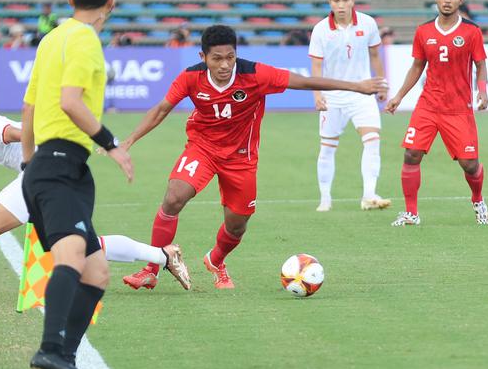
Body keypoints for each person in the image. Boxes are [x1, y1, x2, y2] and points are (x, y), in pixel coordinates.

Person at [120, 25, 388, 291]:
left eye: (230, 57)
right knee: (173, 197)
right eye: (217, 58)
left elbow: (305, 82)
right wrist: (130, 140)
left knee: (236, 226)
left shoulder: (256, 74)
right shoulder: (191, 78)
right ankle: (150, 269)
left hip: (241, 158)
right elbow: (161, 109)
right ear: (203, 57)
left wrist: (356, 86)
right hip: (202, 148)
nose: (225, 64)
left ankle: (216, 261)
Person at [0, 96, 189, 306]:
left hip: (47, 168)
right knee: (76, 244)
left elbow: (22, 133)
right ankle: (163, 255)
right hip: (54, 173)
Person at [20, 0, 130, 369]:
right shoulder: (85, 40)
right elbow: (70, 102)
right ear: (111, 0)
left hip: (49, 166)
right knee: (70, 259)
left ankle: (62, 361)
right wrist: (112, 144)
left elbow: (30, 107)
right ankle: (49, 351)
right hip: (62, 166)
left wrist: (29, 163)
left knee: (96, 271)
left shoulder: (52, 38)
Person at [384, 0, 488, 227]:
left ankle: (478, 200)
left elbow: (480, 64)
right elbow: (417, 66)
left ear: (460, 0)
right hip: (428, 106)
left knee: (470, 164)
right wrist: (398, 96)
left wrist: (482, 90)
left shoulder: (471, 32)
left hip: (458, 109)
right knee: (411, 154)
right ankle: (411, 213)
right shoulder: (423, 31)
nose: (447, 0)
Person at [309, 0, 391, 212]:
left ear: (353, 0)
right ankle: (325, 199)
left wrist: (381, 84)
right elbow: (316, 66)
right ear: (330, 2)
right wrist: (317, 93)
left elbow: (375, 55)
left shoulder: (368, 23)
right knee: (327, 148)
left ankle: (369, 195)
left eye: (345, 0)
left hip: (362, 92)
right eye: (336, 1)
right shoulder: (320, 30)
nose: (341, 5)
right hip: (332, 96)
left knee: (373, 141)